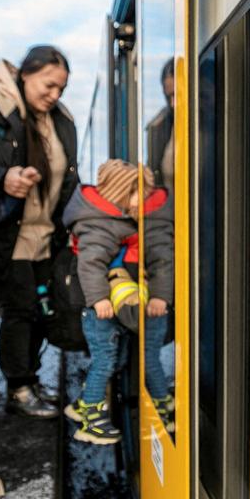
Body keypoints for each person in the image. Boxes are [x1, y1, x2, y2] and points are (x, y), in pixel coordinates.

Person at [0, 46, 78, 418]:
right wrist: (1, 178)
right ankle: (18, 389)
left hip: (47, 234)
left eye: (61, 89)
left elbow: (68, 177)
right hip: (7, 232)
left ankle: (31, 381)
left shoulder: (60, 120)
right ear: (26, 74)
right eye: (48, 85)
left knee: (42, 310)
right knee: (19, 310)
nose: (54, 95)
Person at [62, 160, 173, 444]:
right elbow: (90, 264)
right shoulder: (99, 223)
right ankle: (91, 420)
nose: (142, 199)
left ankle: (83, 406)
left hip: (110, 305)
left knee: (111, 358)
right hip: (100, 308)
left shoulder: (112, 217)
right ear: (119, 193)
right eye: (136, 193)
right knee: (105, 360)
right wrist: (99, 299)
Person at [147, 59, 176, 188]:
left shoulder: (210, 123)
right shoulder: (158, 127)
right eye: (168, 97)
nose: (173, 104)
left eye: (177, 95)